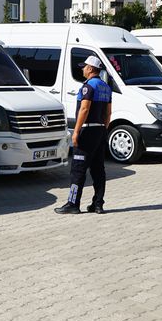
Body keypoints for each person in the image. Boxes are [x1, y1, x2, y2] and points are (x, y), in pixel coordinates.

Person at [55, 56, 112, 215]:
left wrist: (77, 131)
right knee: (98, 169)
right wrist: (103, 130)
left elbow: (84, 109)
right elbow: (108, 113)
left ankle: (73, 203)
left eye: (84, 66)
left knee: (78, 169)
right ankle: (98, 204)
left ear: (91, 68)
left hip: (88, 132)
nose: (82, 69)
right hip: (100, 131)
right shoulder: (106, 87)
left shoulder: (88, 87)